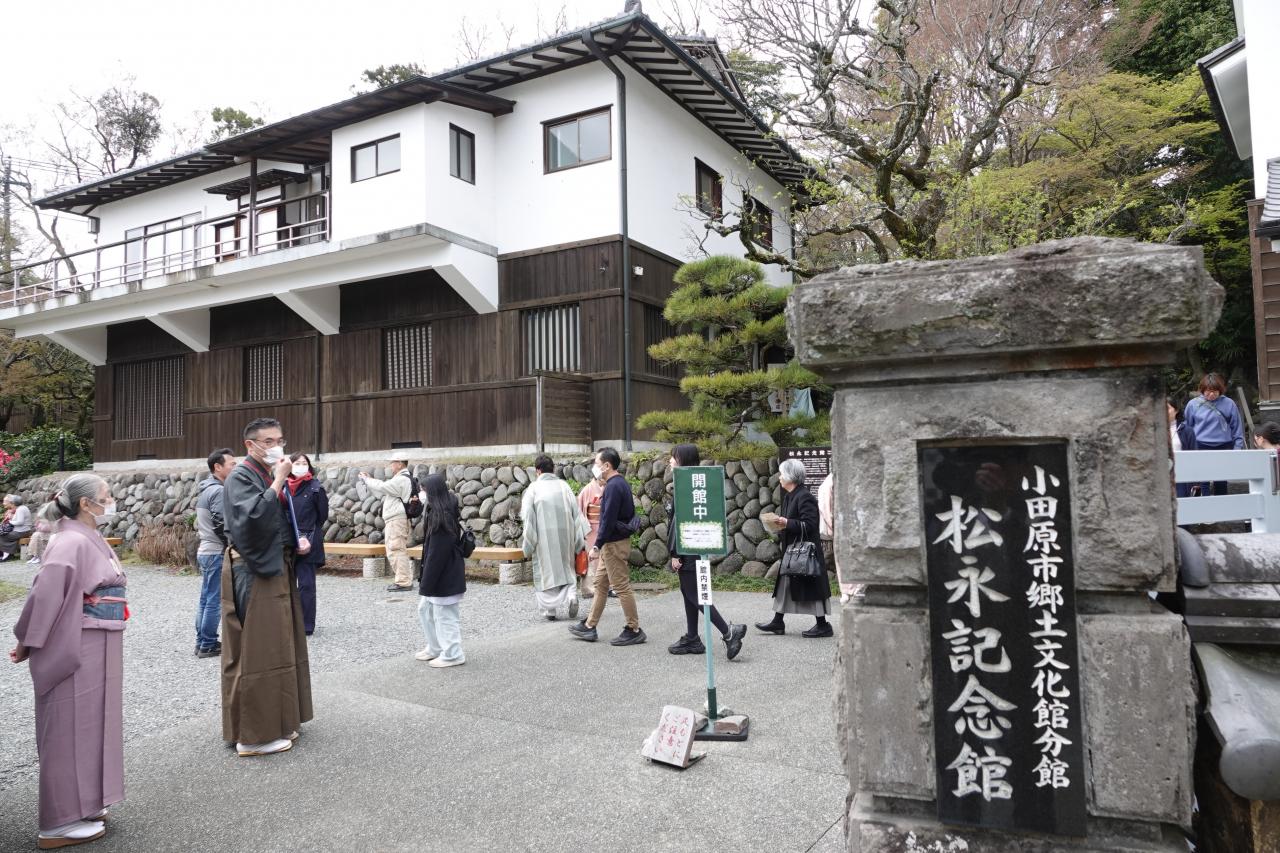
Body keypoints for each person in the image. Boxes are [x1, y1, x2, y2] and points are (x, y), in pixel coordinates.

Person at [9, 474, 125, 849]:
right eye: (107, 496)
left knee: (93, 724)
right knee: (68, 727)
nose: (112, 501)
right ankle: (58, 822)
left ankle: (85, 803)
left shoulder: (84, 536)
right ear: (86, 504)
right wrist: (28, 640)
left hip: (99, 637)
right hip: (77, 640)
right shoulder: (70, 540)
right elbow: (45, 594)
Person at [222, 417, 312, 758]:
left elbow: (276, 520)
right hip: (254, 570)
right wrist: (277, 481)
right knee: (258, 650)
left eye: (280, 440)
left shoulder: (262, 473)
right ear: (250, 445)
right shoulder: (241, 476)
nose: (277, 447)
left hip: (275, 566)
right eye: (269, 441)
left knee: (279, 645)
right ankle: (253, 736)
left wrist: (295, 540)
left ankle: (278, 721)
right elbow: (252, 519)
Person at [665, 443, 746, 659]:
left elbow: (678, 523)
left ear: (683, 459)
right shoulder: (694, 483)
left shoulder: (685, 485)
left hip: (687, 549)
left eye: (674, 457)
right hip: (695, 546)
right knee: (689, 593)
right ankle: (692, 637)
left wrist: (675, 553)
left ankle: (729, 633)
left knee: (696, 594)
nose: (670, 461)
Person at [569, 447, 646, 646]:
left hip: (614, 545)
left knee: (621, 586)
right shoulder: (620, 483)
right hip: (613, 543)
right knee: (601, 585)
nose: (594, 467)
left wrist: (596, 545)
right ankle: (589, 625)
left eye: (596, 463)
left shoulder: (612, 486)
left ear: (606, 465)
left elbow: (608, 520)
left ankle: (634, 629)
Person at [756, 458, 833, 637]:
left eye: (782, 474)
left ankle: (823, 625)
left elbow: (810, 525)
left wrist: (787, 522)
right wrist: (779, 524)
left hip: (805, 553)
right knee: (785, 584)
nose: (779, 477)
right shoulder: (791, 495)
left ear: (790, 476)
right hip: (794, 552)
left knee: (812, 587)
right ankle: (777, 621)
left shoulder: (804, 496)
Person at [521, 455, 589, 620]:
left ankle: (550, 611)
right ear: (552, 469)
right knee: (567, 568)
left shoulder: (533, 488)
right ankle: (571, 596)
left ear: (538, 471)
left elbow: (528, 516)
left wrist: (528, 543)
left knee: (547, 571)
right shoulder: (564, 486)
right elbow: (576, 513)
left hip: (544, 536)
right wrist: (579, 540)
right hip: (566, 534)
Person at [415, 474, 467, 667]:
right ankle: (436, 647)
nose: (421, 494)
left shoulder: (442, 517)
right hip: (442, 574)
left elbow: (437, 555)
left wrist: (426, 583)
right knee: (425, 610)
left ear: (432, 492)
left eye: (423, 490)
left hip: (445, 576)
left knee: (445, 616)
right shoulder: (437, 511)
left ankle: (453, 653)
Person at [194, 448, 235, 659]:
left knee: (205, 598)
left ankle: (202, 641)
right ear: (217, 467)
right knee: (214, 600)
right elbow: (221, 524)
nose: (235, 467)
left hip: (206, 550)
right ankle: (208, 644)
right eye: (231, 464)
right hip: (215, 551)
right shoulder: (218, 491)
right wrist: (231, 545)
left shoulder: (206, 489)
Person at [285, 453, 328, 636]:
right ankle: (287, 622)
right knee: (285, 584)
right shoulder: (283, 486)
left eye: (304, 463)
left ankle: (305, 625)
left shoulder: (316, 488)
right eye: (297, 463)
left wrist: (307, 535)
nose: (301, 466)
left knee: (306, 585)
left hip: (309, 539)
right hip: (287, 540)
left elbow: (322, 516)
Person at [1184, 373, 1245, 497]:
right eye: (1208, 391)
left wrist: (1237, 448)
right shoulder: (1193, 404)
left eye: (1215, 391)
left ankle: (1221, 507)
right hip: (1200, 446)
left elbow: (1237, 427)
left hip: (1224, 446)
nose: (1211, 394)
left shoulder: (1229, 403)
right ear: (1202, 390)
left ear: (1220, 390)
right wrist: (1188, 448)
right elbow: (1188, 427)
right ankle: (1205, 507)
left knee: (1221, 480)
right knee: (1203, 480)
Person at [360, 460, 414, 592]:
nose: (391, 466)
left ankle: (403, 582)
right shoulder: (401, 478)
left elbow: (382, 487)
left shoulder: (401, 479)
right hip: (396, 519)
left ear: (400, 464)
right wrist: (369, 480)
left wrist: (367, 480)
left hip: (396, 520)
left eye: (392, 463)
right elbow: (383, 489)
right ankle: (404, 580)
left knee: (396, 549)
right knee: (396, 549)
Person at [576, 467, 606, 600]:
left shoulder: (607, 487)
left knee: (605, 557)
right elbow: (579, 510)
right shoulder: (587, 489)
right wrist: (584, 528)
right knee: (591, 558)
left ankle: (605, 586)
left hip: (604, 526)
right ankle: (589, 589)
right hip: (591, 528)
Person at [1167, 400, 1196, 499]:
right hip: (1160, 475)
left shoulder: (1187, 431)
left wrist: (1196, 481)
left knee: (1181, 501)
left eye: (1167, 408)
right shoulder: (1153, 430)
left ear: (1176, 410)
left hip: (1181, 474)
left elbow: (1194, 456)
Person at [0, 493, 34, 561]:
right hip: (22, 531)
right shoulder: (22, 508)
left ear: (13, 503)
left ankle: (6, 555)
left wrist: (10, 522)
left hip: (22, 532)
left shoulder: (20, 509)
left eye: (11, 502)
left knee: (2, 536)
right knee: (5, 535)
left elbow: (20, 522)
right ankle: (8, 554)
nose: (10, 504)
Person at [26, 502, 60, 566]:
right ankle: (35, 556)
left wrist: (44, 524)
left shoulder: (52, 517)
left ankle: (39, 557)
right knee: (36, 535)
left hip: (51, 533)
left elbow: (51, 528)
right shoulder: (39, 517)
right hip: (42, 533)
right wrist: (38, 523)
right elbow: (37, 527)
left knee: (38, 536)